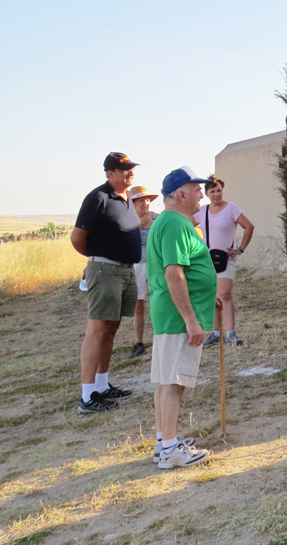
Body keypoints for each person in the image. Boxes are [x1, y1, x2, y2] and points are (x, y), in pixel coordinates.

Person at [147, 166, 215, 469]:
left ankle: (164, 441)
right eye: (197, 188)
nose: (202, 194)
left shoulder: (168, 221)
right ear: (181, 194)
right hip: (177, 317)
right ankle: (171, 449)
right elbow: (174, 275)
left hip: (168, 313)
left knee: (165, 381)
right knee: (174, 382)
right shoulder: (175, 223)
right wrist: (190, 319)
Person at [70, 152, 142, 414]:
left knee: (111, 329)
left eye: (131, 169)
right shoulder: (98, 198)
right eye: (124, 170)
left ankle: (101, 385)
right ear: (110, 173)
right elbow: (77, 238)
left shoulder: (126, 198)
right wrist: (96, 259)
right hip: (105, 271)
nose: (130, 173)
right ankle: (87, 396)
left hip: (125, 271)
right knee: (97, 331)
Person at [193, 175, 255, 346]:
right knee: (212, 295)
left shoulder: (231, 208)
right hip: (207, 259)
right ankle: (215, 333)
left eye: (219, 190)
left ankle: (230, 333)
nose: (216, 194)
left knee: (224, 294)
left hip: (226, 258)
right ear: (206, 194)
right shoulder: (202, 211)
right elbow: (186, 228)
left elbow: (249, 226)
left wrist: (240, 249)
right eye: (212, 191)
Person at [129, 186, 159, 358]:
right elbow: (122, 242)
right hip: (137, 264)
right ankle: (139, 342)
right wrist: (137, 228)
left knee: (159, 299)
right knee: (139, 305)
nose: (145, 203)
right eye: (141, 200)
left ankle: (161, 337)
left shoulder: (157, 218)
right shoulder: (128, 221)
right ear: (133, 203)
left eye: (147, 200)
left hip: (156, 263)